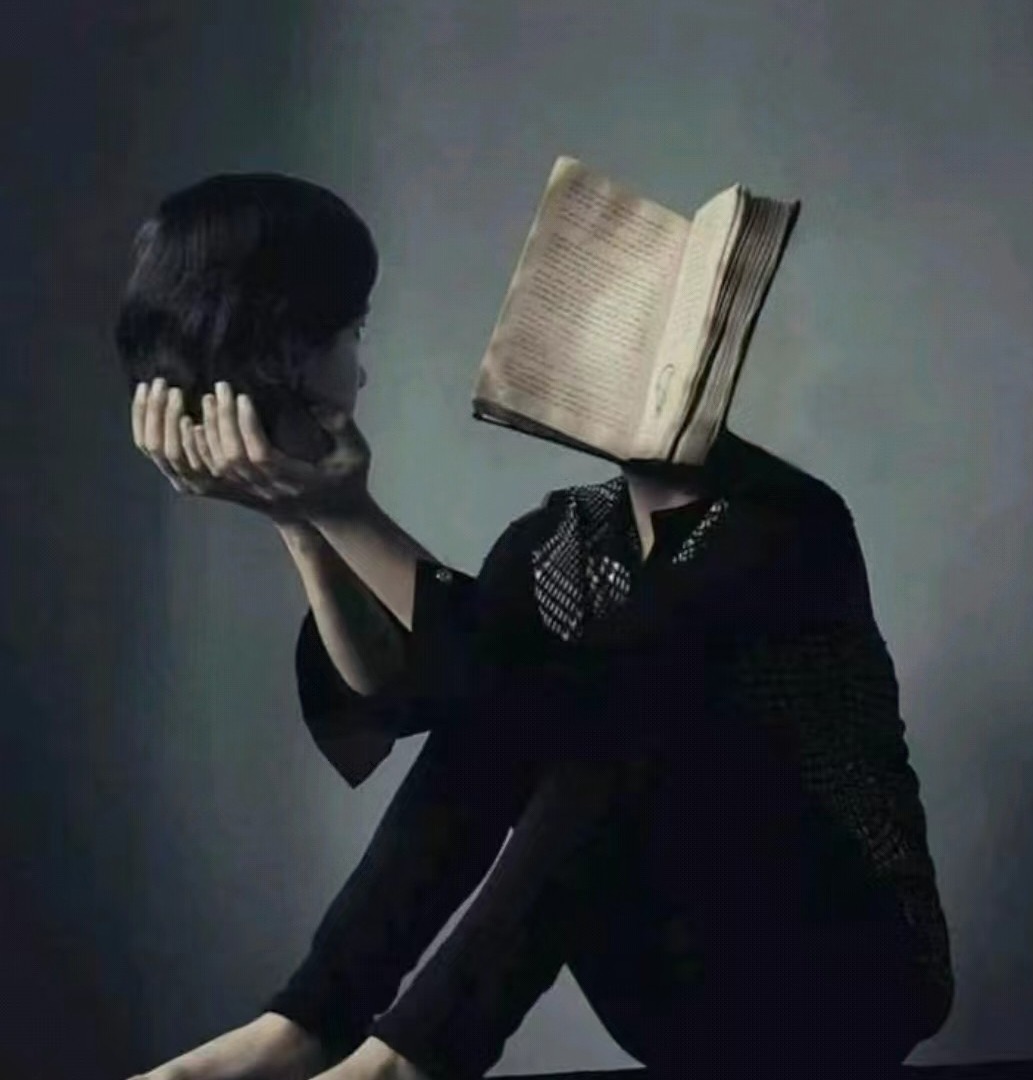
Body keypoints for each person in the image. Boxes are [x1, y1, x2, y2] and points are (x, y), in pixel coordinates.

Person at [117, 174, 954, 1080]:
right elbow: (408, 695)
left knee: (614, 704)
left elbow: (578, 689)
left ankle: (398, 1063)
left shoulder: (788, 524)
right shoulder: (556, 539)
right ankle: (308, 1024)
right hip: (669, 996)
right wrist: (301, 517)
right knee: (511, 709)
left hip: (842, 983)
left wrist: (347, 510)